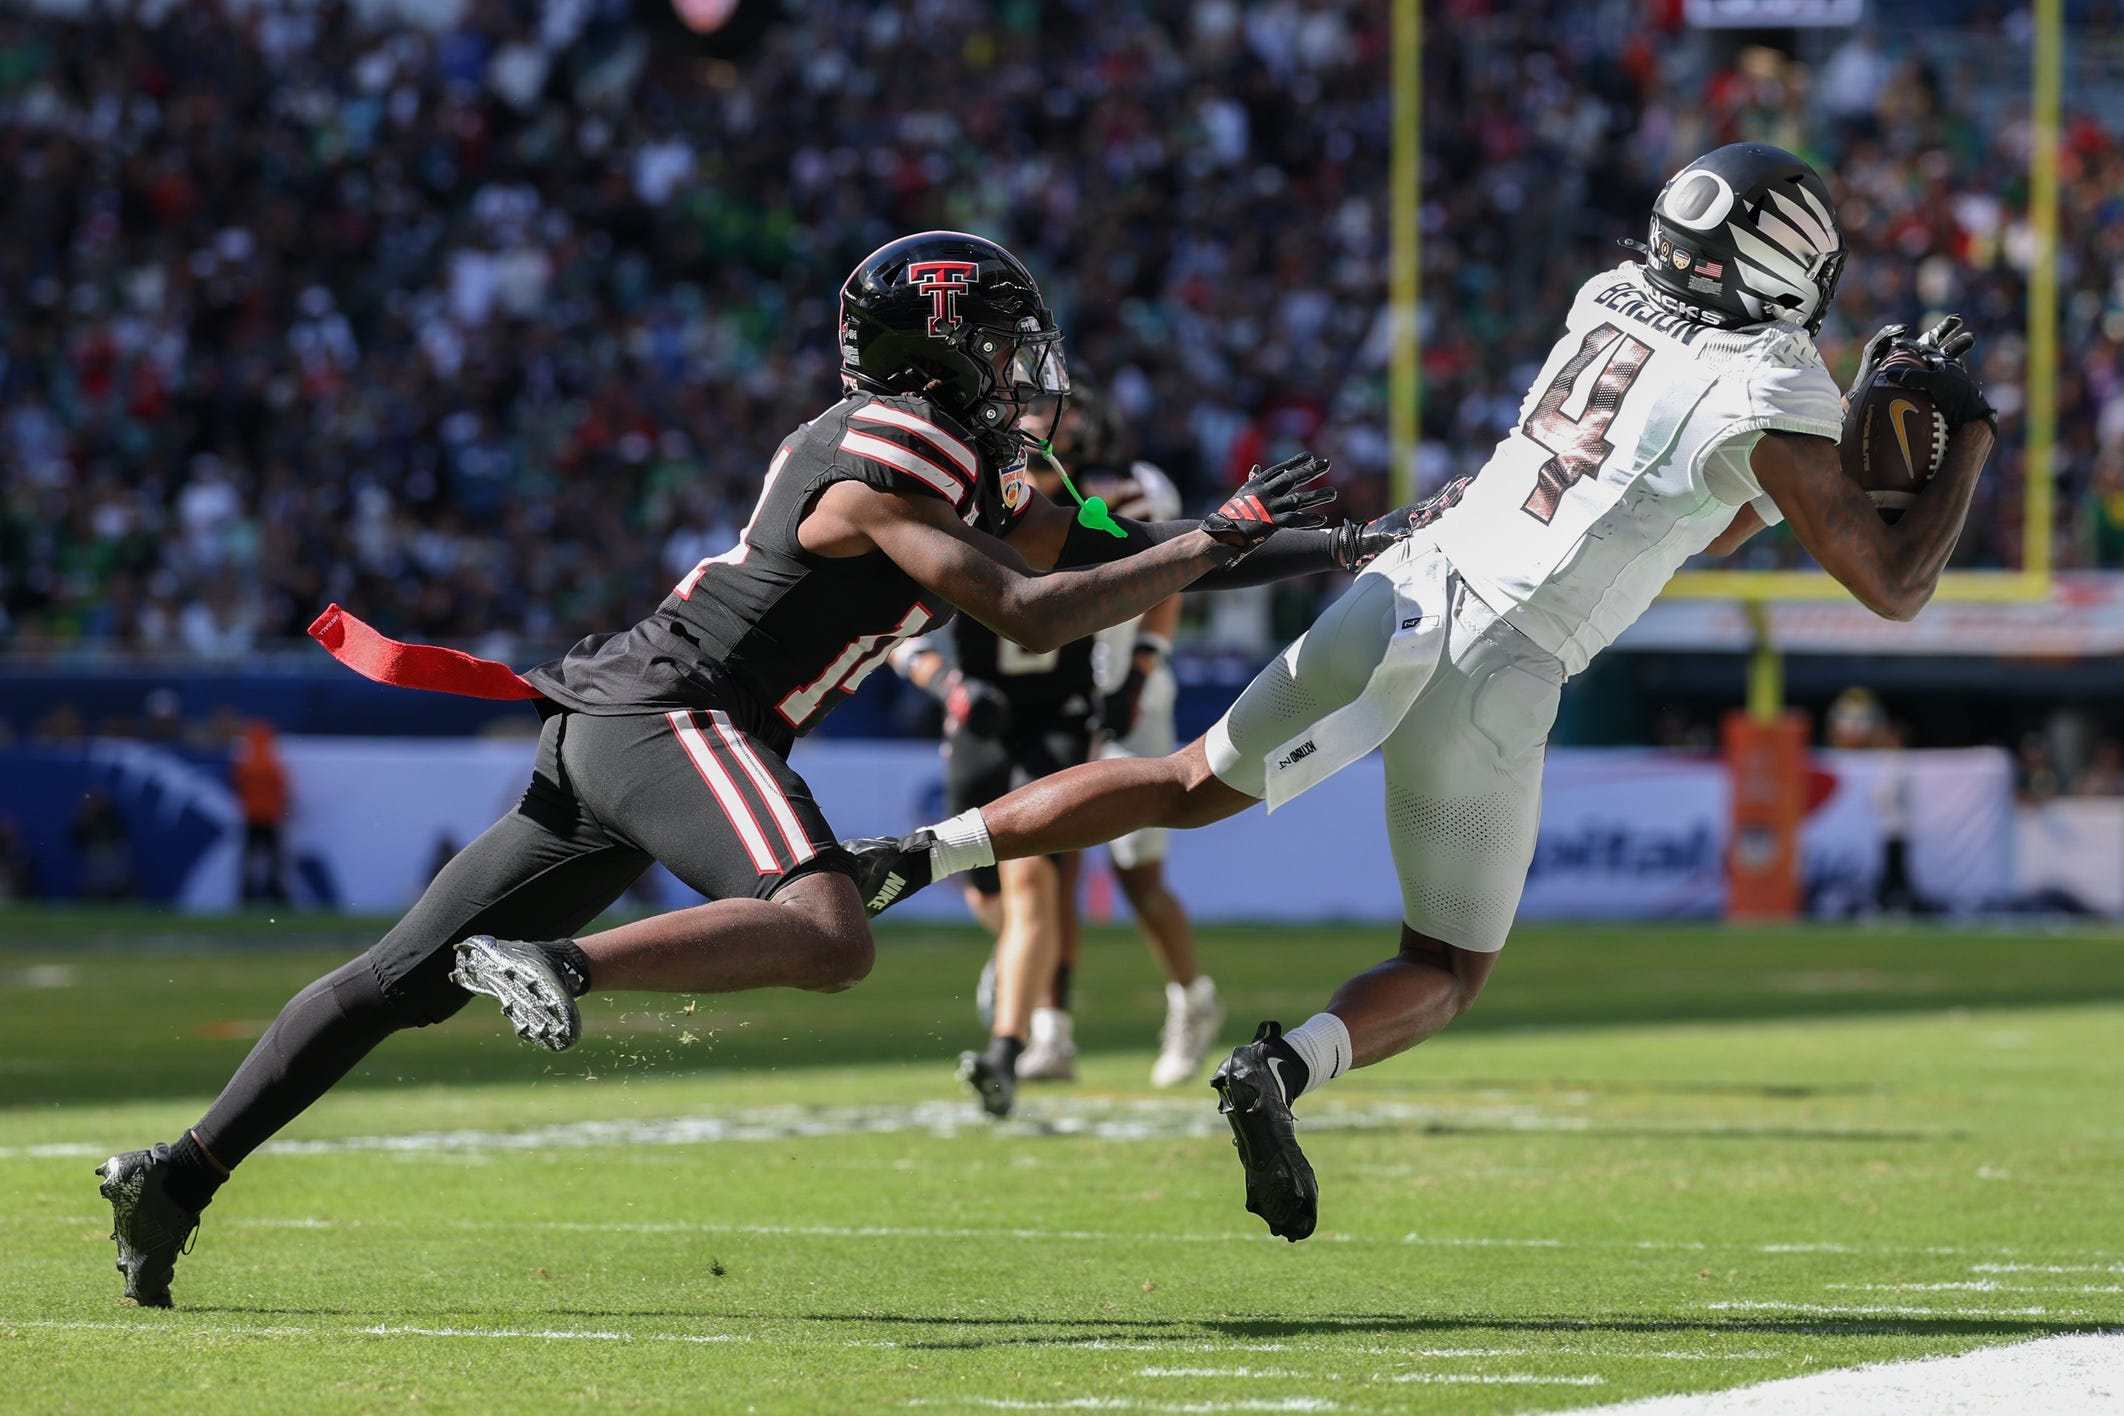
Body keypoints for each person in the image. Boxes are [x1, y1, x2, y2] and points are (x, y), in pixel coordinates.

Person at [96, 230, 1417, 1306]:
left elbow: (1100, 557)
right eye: (1003, 345)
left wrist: (1353, 543)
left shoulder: (944, 454)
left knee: (396, 982)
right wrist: (1206, 541)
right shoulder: (895, 443)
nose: (1027, 372)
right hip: (677, 711)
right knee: (829, 931)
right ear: (939, 350)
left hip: (628, 719)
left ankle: (179, 1178)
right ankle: (560, 966)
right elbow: (1029, 606)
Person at [848, 147, 1999, 1241]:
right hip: (1502, 663)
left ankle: (919, 853)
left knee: (1183, 781)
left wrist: (1845, 419)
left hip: (1406, 585)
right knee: (1446, 968)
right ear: (1785, 265)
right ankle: (1281, 1067)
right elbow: (1893, 585)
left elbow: (1721, 501)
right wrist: (1969, 434)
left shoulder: (1610, 297)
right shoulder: (1768, 382)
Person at [232, 720, 291, 905]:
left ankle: (246, 896)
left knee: (249, 860)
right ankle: (277, 895)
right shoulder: (271, 763)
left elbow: (238, 786)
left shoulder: (246, 763)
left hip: (251, 817)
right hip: (270, 817)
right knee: (274, 861)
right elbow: (282, 788)